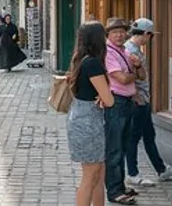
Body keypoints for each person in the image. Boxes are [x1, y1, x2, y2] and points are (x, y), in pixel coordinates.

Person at [124, 18, 172, 187]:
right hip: (138, 101)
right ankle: (132, 173)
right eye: (150, 36)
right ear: (146, 34)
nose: (150, 39)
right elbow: (126, 77)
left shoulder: (134, 49)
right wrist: (135, 96)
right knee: (134, 137)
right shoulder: (130, 51)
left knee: (149, 135)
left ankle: (162, 170)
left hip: (143, 99)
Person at [66, 21, 115, 206]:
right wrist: (105, 95)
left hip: (81, 118)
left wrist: (103, 96)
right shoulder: (93, 64)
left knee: (98, 173)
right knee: (90, 175)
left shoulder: (81, 59)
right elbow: (109, 100)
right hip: (88, 123)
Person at [104, 18, 141, 205]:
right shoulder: (108, 53)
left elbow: (141, 75)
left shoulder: (124, 51)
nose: (119, 35)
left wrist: (138, 68)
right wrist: (135, 74)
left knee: (123, 146)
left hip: (127, 102)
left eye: (121, 31)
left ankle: (120, 185)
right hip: (116, 103)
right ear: (108, 35)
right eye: (115, 32)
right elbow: (123, 78)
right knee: (114, 149)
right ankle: (114, 191)